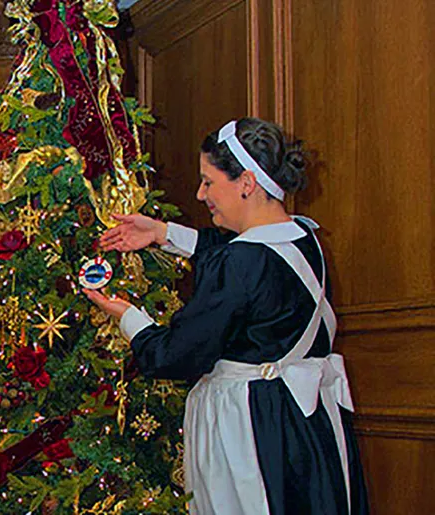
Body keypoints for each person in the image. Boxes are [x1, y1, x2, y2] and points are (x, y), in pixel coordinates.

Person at [84, 118, 368, 515]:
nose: (201, 195)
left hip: (254, 429)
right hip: (305, 427)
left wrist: (128, 316)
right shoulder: (304, 239)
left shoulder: (240, 262)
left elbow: (175, 355)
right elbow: (242, 256)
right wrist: (163, 233)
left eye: (208, 182)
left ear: (247, 182)